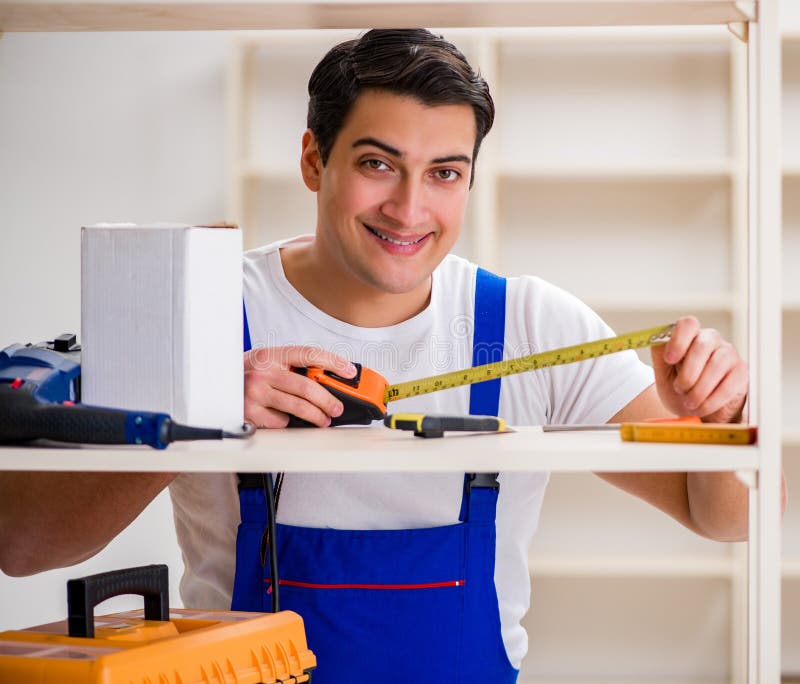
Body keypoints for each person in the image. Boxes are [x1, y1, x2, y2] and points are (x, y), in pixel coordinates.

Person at [0, 28, 777, 684]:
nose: (410, 209)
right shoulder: (198, 312)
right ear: (314, 160)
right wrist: (191, 404)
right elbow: (22, 545)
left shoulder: (530, 326)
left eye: (444, 174)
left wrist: (718, 420)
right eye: (377, 164)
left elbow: (732, 518)